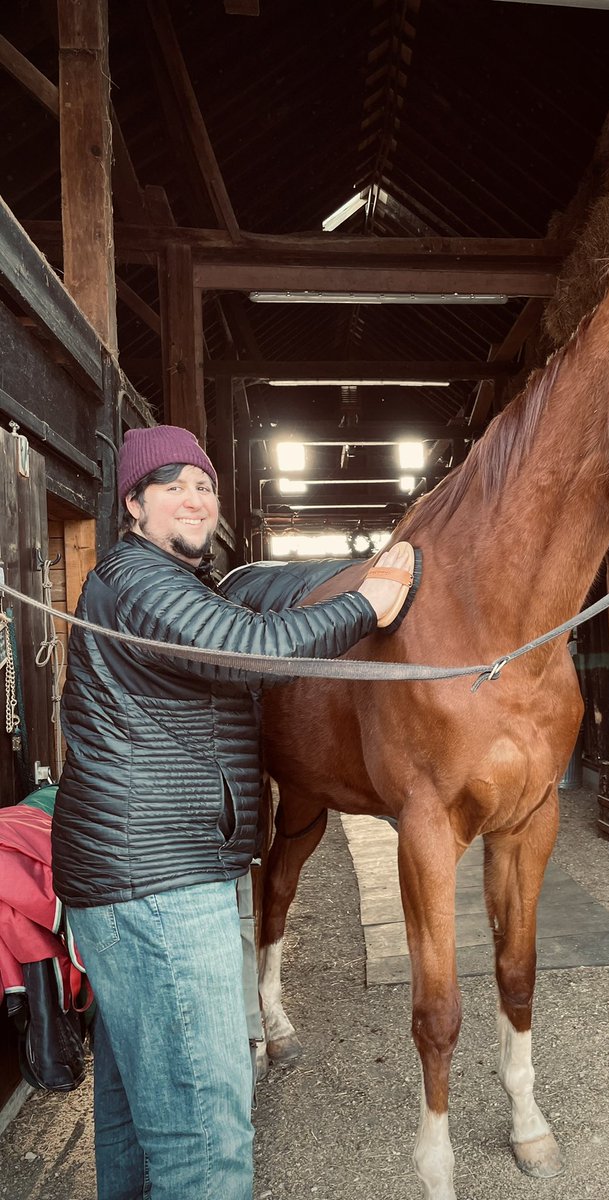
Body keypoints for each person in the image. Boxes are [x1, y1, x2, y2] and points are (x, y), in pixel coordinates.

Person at [51, 424, 415, 1200]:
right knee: (205, 1133)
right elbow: (246, 647)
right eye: (173, 483)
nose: (195, 496)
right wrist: (367, 602)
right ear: (135, 505)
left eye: (205, 485)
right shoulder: (136, 579)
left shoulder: (166, 584)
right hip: (158, 886)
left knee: (139, 1120)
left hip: (144, 874)